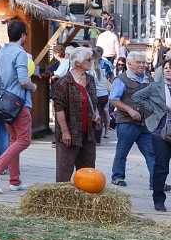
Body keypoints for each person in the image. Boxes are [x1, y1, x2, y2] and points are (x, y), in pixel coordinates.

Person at [0, 20, 36, 194]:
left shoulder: (0, 53)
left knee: (14, 140)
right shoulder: (20, 54)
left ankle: (15, 181)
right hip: (19, 102)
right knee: (24, 140)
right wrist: (33, 86)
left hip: (4, 102)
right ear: (23, 35)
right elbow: (23, 80)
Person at [109, 51, 158, 189]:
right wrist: (130, 110)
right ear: (129, 64)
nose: (142, 65)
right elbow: (113, 99)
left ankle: (156, 182)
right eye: (138, 62)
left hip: (146, 123)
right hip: (127, 122)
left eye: (143, 62)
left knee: (152, 153)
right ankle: (117, 177)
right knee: (122, 151)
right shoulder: (121, 79)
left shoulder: (149, 79)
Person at [52, 47, 101, 182]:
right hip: (70, 133)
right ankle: (63, 200)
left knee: (88, 171)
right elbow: (59, 109)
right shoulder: (64, 82)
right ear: (78, 62)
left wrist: (96, 113)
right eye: (88, 59)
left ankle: (85, 200)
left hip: (88, 133)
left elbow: (93, 101)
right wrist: (65, 132)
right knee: (64, 171)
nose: (92, 62)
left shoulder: (90, 80)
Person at [145, 59, 171, 211]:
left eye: (170, 68)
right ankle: (159, 199)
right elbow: (137, 98)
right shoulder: (156, 87)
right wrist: (152, 112)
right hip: (160, 132)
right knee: (161, 167)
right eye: (166, 68)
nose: (168, 70)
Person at [92, 46, 113, 143]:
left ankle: (96, 138)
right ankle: (98, 137)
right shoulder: (98, 67)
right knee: (101, 113)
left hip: (97, 94)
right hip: (104, 94)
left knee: (97, 116)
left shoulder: (91, 68)